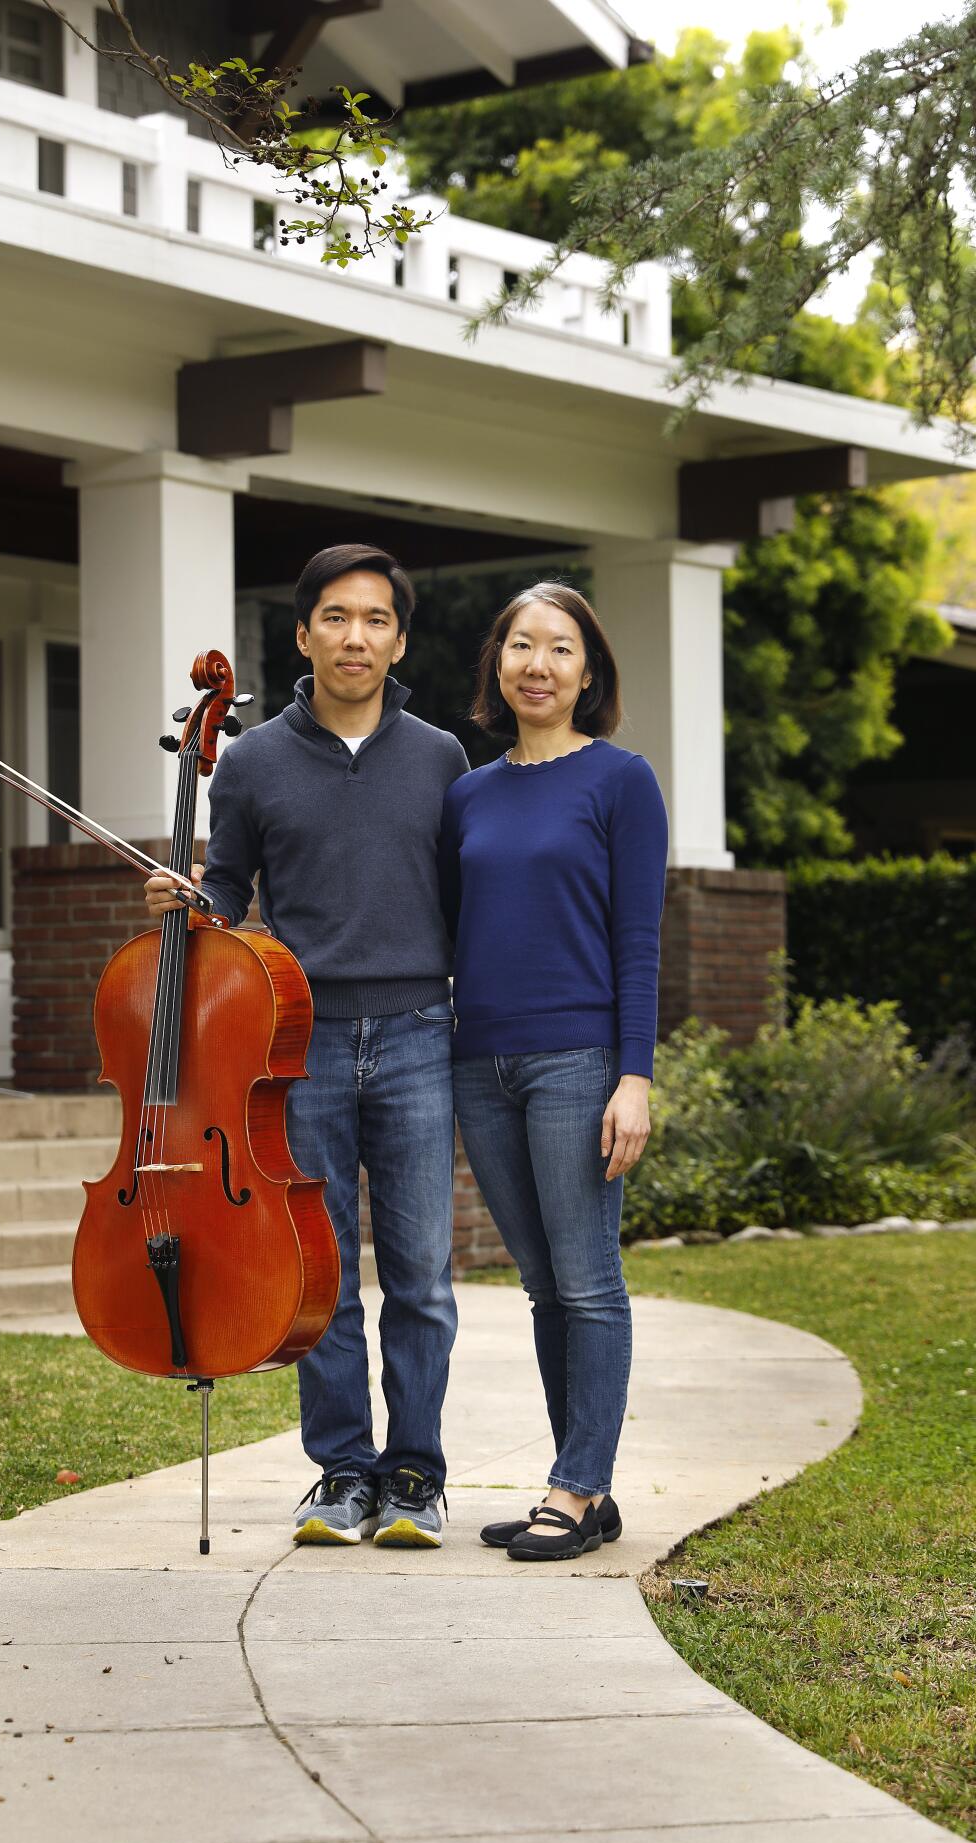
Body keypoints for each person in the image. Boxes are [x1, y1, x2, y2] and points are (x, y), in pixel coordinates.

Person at [145, 543, 469, 1548]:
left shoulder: (442, 757)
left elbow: (469, 899)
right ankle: (342, 1471)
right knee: (315, 1271)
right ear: (302, 633)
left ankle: (414, 1471)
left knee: (418, 1273)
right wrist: (188, 904)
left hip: (419, 1033)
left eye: (375, 618)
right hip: (299, 1043)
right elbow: (227, 892)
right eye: (336, 616)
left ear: (398, 639)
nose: (355, 636)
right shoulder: (247, 760)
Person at [438, 581, 667, 1562]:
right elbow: (449, 924)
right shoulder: (468, 793)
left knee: (587, 1280)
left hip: (578, 1060)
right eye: (521, 643)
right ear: (498, 663)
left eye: (560, 647)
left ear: (589, 669)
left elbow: (639, 940)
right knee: (542, 1284)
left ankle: (575, 1486)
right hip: (478, 1059)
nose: (539, 663)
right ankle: (584, 1481)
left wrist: (636, 1076)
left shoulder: (621, 780)